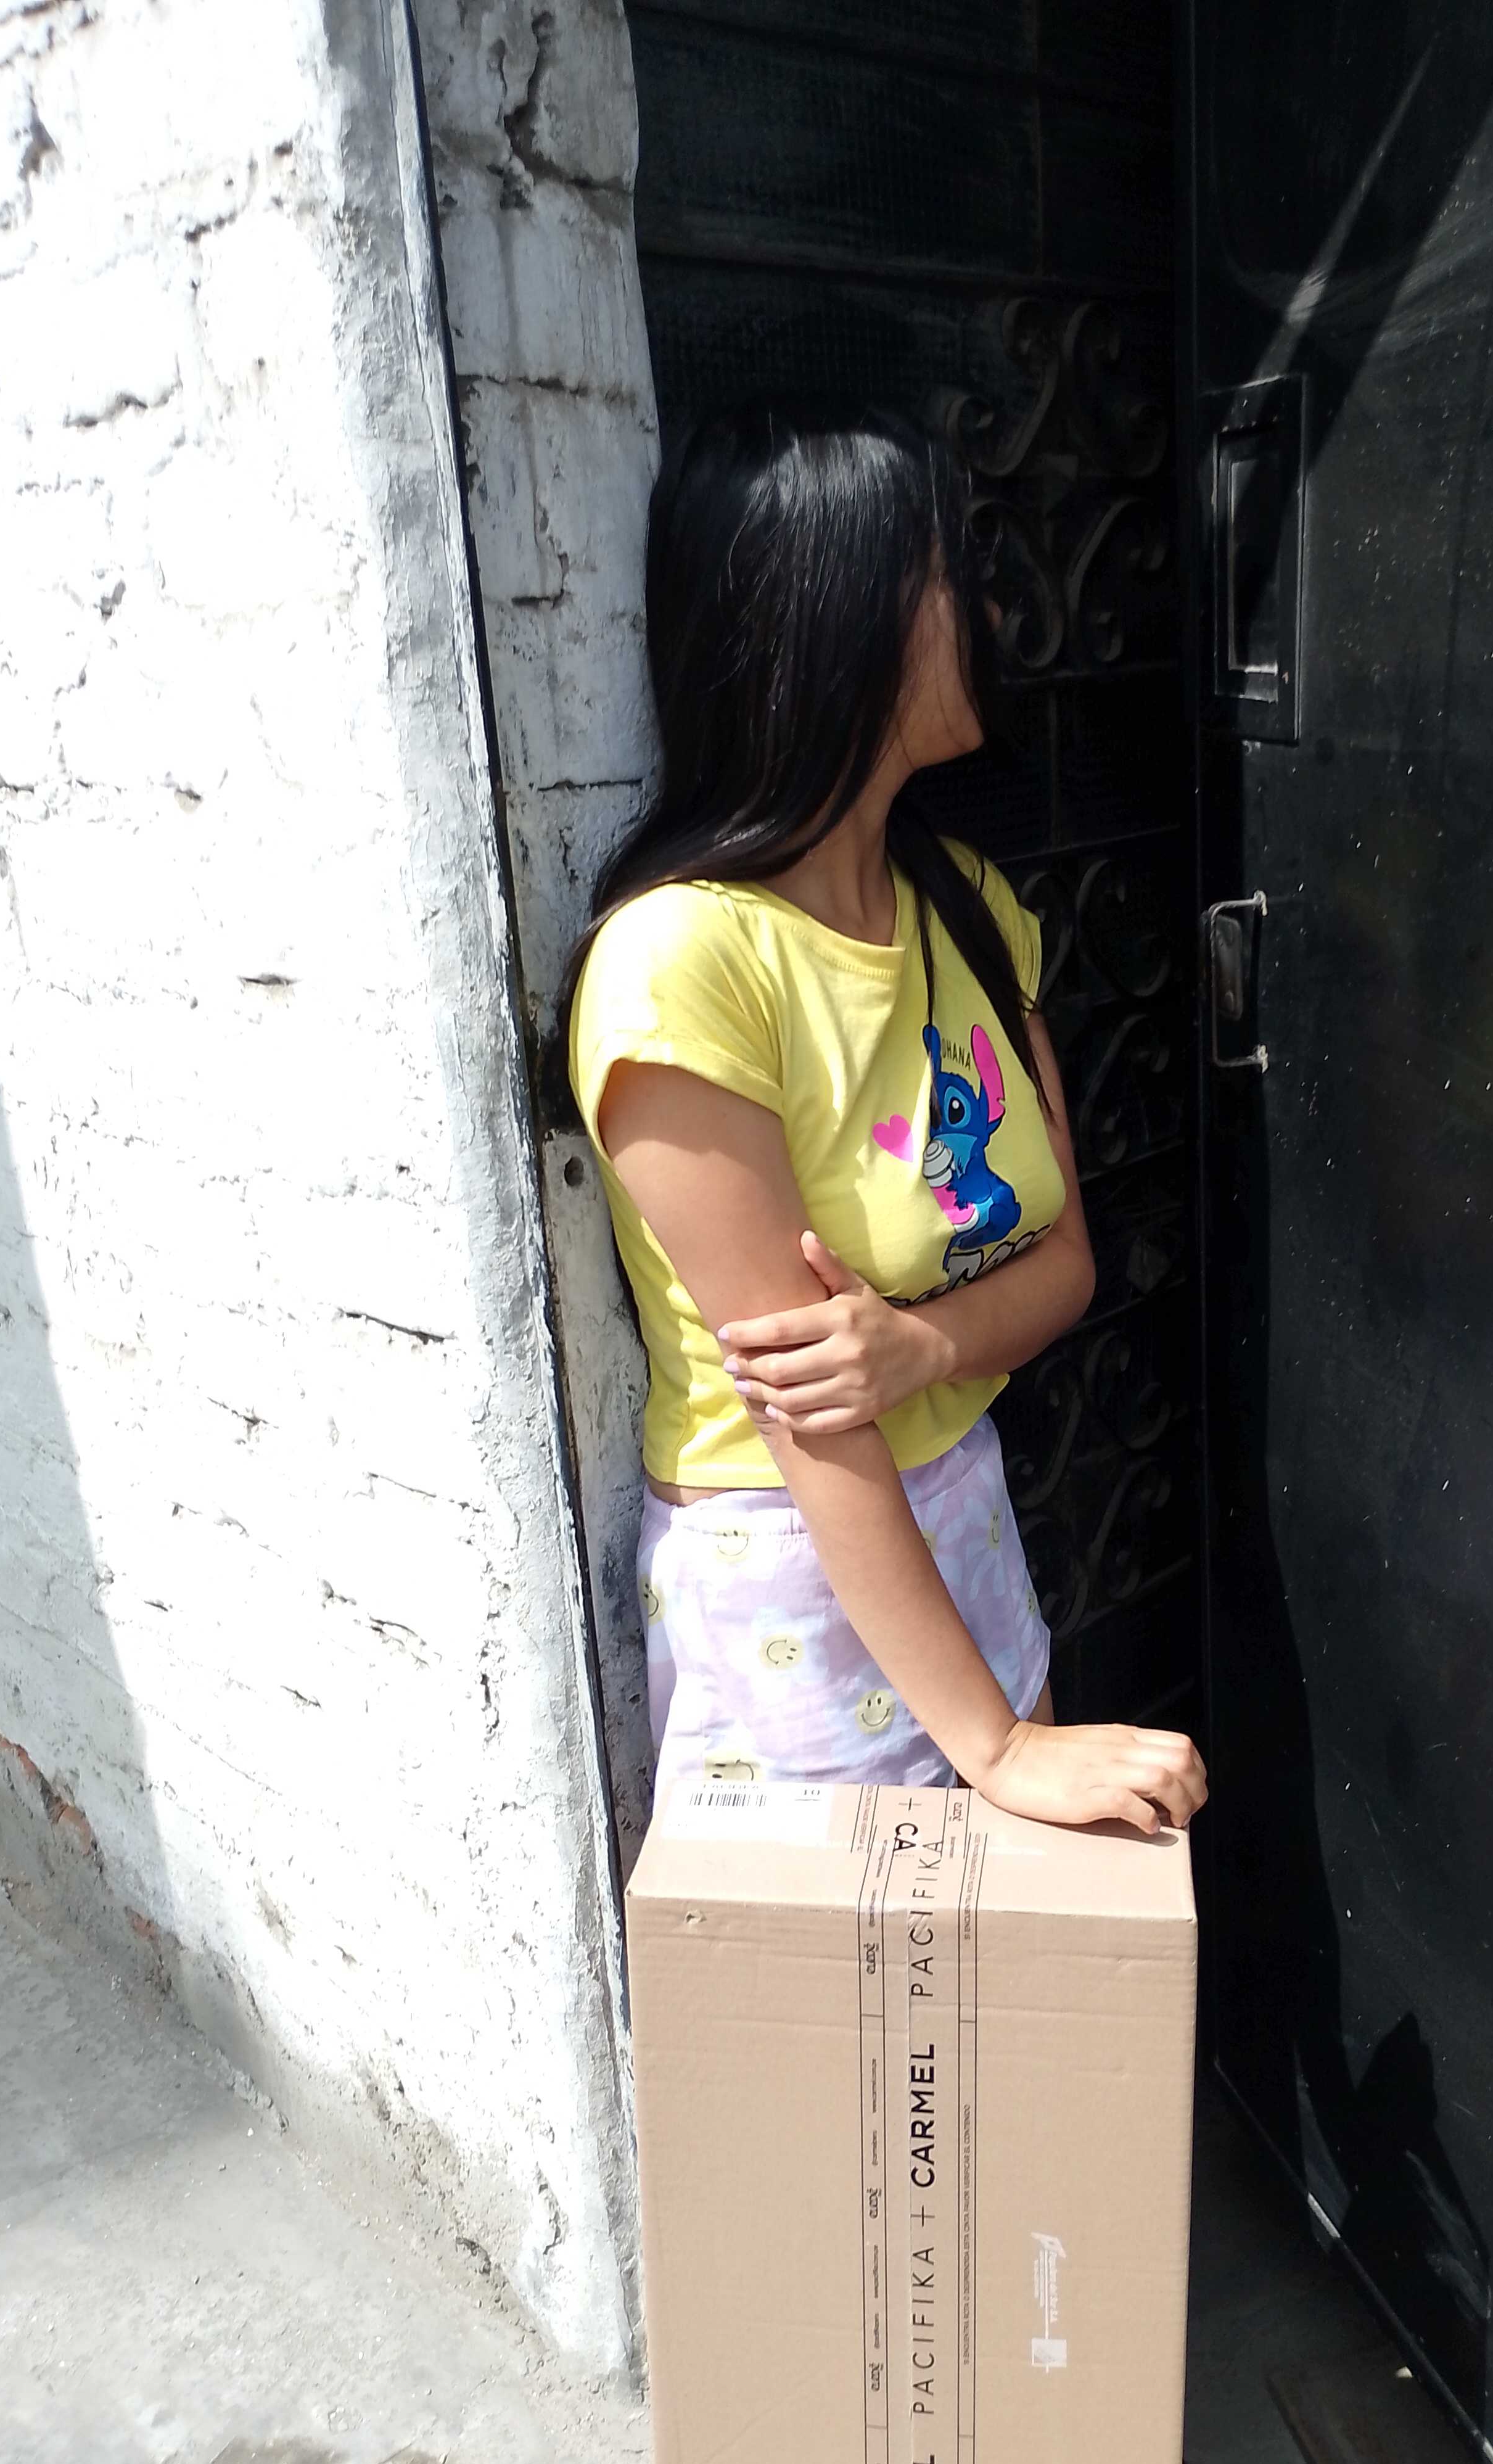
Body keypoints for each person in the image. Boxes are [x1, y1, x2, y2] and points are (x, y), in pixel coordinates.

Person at [566, 404, 1206, 1836]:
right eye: (949, 577)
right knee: (871, 1989)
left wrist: (922, 1345)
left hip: (964, 1522)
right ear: (836, 621)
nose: (990, 612)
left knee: (1005, 1964)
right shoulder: (686, 964)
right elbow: (812, 1423)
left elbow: (1067, 1264)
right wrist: (1001, 1746)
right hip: (798, 1588)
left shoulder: (967, 905)